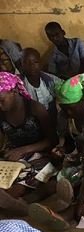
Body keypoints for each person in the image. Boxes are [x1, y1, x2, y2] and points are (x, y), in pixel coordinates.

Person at [0, 72, 56, 216]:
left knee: (20, 185)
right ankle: (17, 203)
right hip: (14, 157)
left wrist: (23, 150)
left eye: (2, 100)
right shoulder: (1, 113)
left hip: (40, 155)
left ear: (14, 91)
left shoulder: (35, 109)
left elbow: (52, 140)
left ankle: (19, 204)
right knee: (6, 180)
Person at [20, 48, 61, 119]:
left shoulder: (50, 79)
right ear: (21, 64)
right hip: (31, 121)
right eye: (26, 62)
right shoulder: (19, 84)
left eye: (35, 62)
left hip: (53, 117)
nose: (31, 65)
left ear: (40, 63)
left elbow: (65, 87)